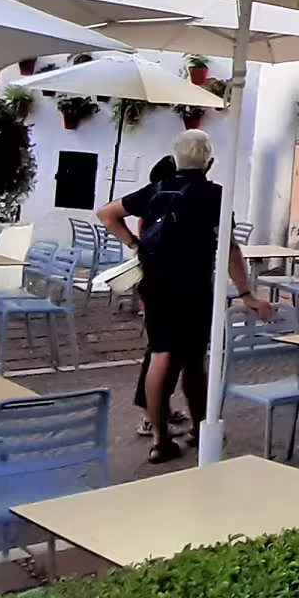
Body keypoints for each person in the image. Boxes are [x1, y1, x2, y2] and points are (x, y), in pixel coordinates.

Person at [98, 130, 271, 464]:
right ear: (209, 162)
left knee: (161, 354)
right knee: (193, 360)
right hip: (194, 286)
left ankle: (160, 439)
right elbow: (229, 247)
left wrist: (136, 246)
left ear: (175, 158)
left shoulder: (156, 189)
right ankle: (199, 427)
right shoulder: (215, 195)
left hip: (156, 283)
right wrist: (246, 292)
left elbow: (106, 213)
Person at [130, 155, 181, 439]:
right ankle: (151, 415)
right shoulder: (158, 208)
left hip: (155, 284)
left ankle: (161, 408)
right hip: (163, 286)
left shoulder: (155, 205)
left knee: (165, 351)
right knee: (160, 351)